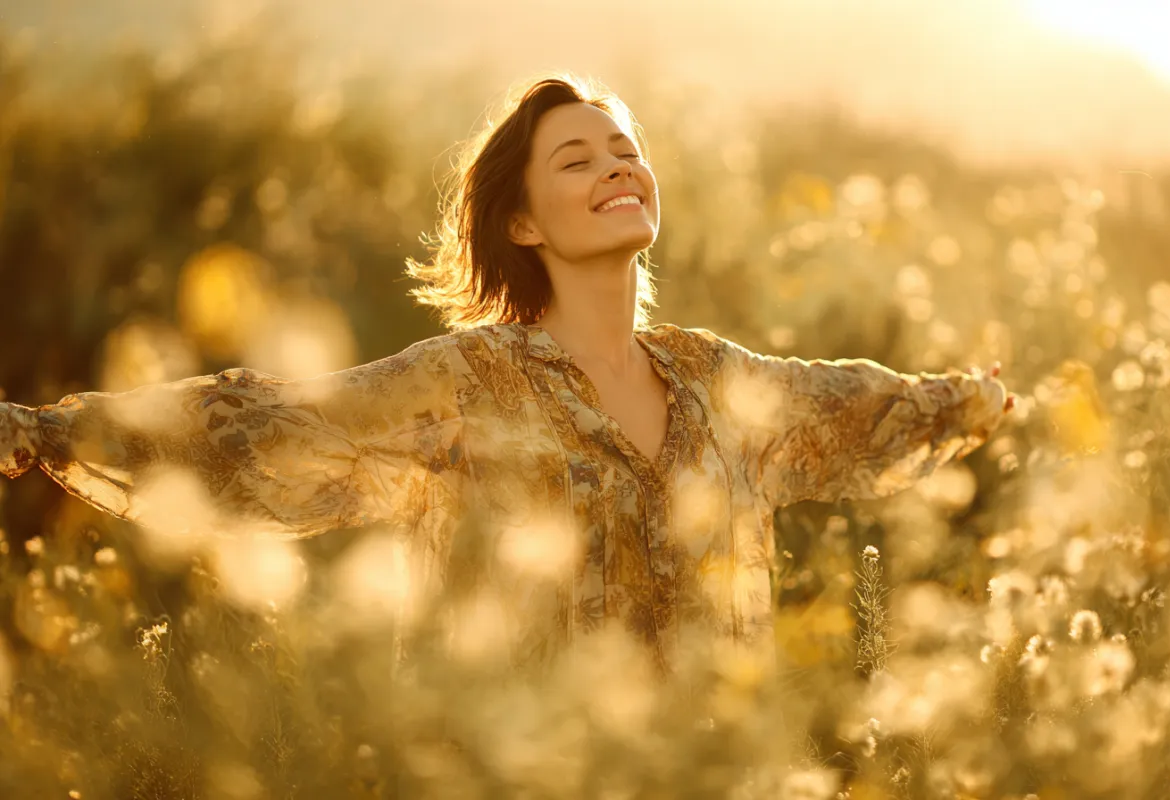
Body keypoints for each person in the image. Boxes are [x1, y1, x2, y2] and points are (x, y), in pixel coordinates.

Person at [0, 73, 1011, 679]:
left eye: (626, 149)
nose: (618, 165)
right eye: (577, 160)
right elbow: (261, 423)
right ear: (522, 222)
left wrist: (967, 401)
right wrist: (51, 430)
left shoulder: (713, 379)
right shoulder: (466, 381)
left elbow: (853, 402)